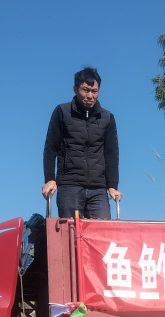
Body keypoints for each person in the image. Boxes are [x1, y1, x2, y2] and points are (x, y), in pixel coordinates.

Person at [42, 66, 121, 220]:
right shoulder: (62, 112)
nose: (90, 96)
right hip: (69, 186)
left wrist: (112, 186)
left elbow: (111, 154)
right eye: (85, 90)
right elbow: (50, 148)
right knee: (71, 232)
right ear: (75, 89)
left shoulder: (107, 118)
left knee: (102, 232)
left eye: (94, 91)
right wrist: (50, 179)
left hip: (98, 189)